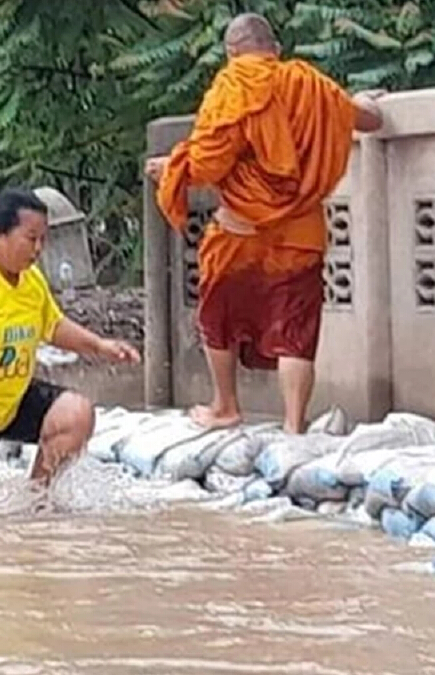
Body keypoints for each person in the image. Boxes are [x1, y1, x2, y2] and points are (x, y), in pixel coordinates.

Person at [144, 13, 384, 434]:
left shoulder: (232, 86)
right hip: (300, 232)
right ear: (275, 49)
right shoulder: (310, 84)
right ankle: (294, 424)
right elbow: (368, 119)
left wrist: (171, 167)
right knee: (296, 330)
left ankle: (226, 406)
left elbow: (205, 163)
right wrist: (363, 101)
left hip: (240, 229)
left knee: (217, 314)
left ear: (231, 53)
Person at [0, 188, 140, 519]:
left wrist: (99, 345)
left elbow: (52, 326)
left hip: (11, 397)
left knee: (76, 413)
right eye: (30, 238)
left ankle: (35, 501)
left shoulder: (31, 280)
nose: (38, 250)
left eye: (43, 240)